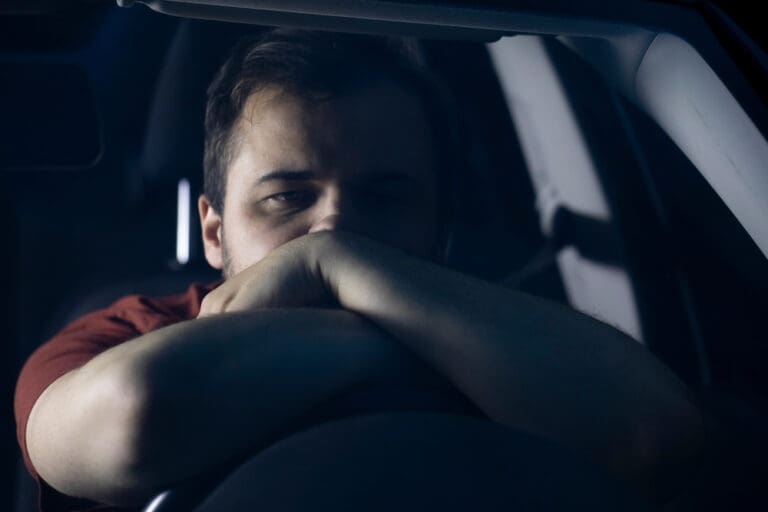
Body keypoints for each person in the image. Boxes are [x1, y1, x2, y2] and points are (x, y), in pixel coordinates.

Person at [14, 29, 706, 511]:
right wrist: (401, 335)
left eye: (386, 196)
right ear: (215, 232)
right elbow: (135, 419)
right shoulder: (115, 337)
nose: (335, 228)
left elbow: (657, 438)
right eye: (287, 197)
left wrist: (331, 265)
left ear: (440, 231)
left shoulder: (498, 326)